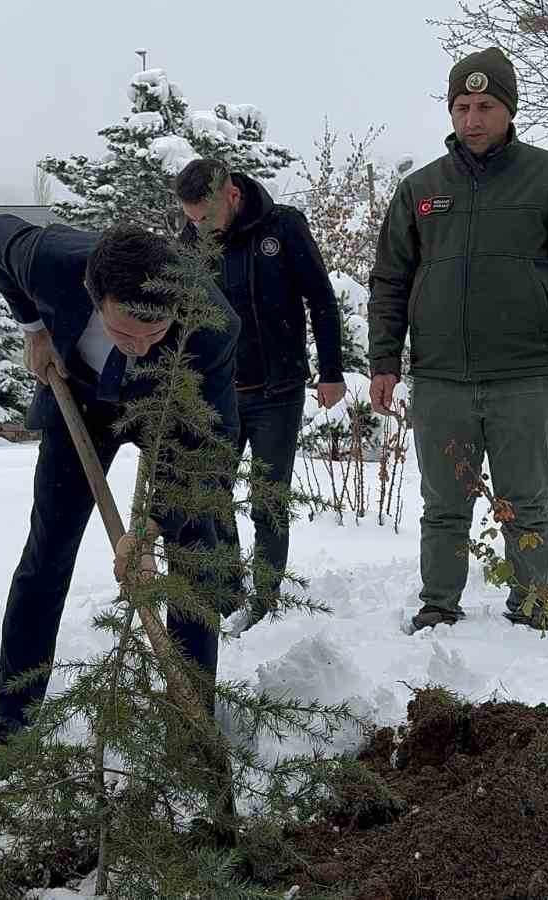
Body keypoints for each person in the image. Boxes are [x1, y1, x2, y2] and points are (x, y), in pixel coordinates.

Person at [367, 47, 548, 632]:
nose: (472, 119)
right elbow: (390, 279)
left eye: (485, 106)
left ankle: (531, 606)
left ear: (509, 109)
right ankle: (438, 604)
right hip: (441, 378)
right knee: (444, 505)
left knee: (528, 503)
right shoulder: (420, 189)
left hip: (525, 377)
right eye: (462, 106)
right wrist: (383, 361)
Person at [0, 213, 239, 745]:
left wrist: (149, 528)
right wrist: (33, 329)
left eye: (155, 333)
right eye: (124, 332)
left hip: (169, 412)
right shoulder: (51, 259)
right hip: (77, 396)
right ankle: (14, 718)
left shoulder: (211, 323)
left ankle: (191, 728)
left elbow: (204, 452)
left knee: (192, 554)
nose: (140, 346)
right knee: (48, 550)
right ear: (94, 297)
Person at [174, 158, 346, 629]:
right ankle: (228, 592)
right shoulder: (190, 243)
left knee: (269, 498)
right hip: (217, 393)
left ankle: (266, 596)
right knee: (215, 494)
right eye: (190, 221)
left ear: (231, 196)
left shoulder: (283, 227)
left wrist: (331, 370)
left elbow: (321, 298)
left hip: (278, 389)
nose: (197, 228)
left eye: (204, 218)